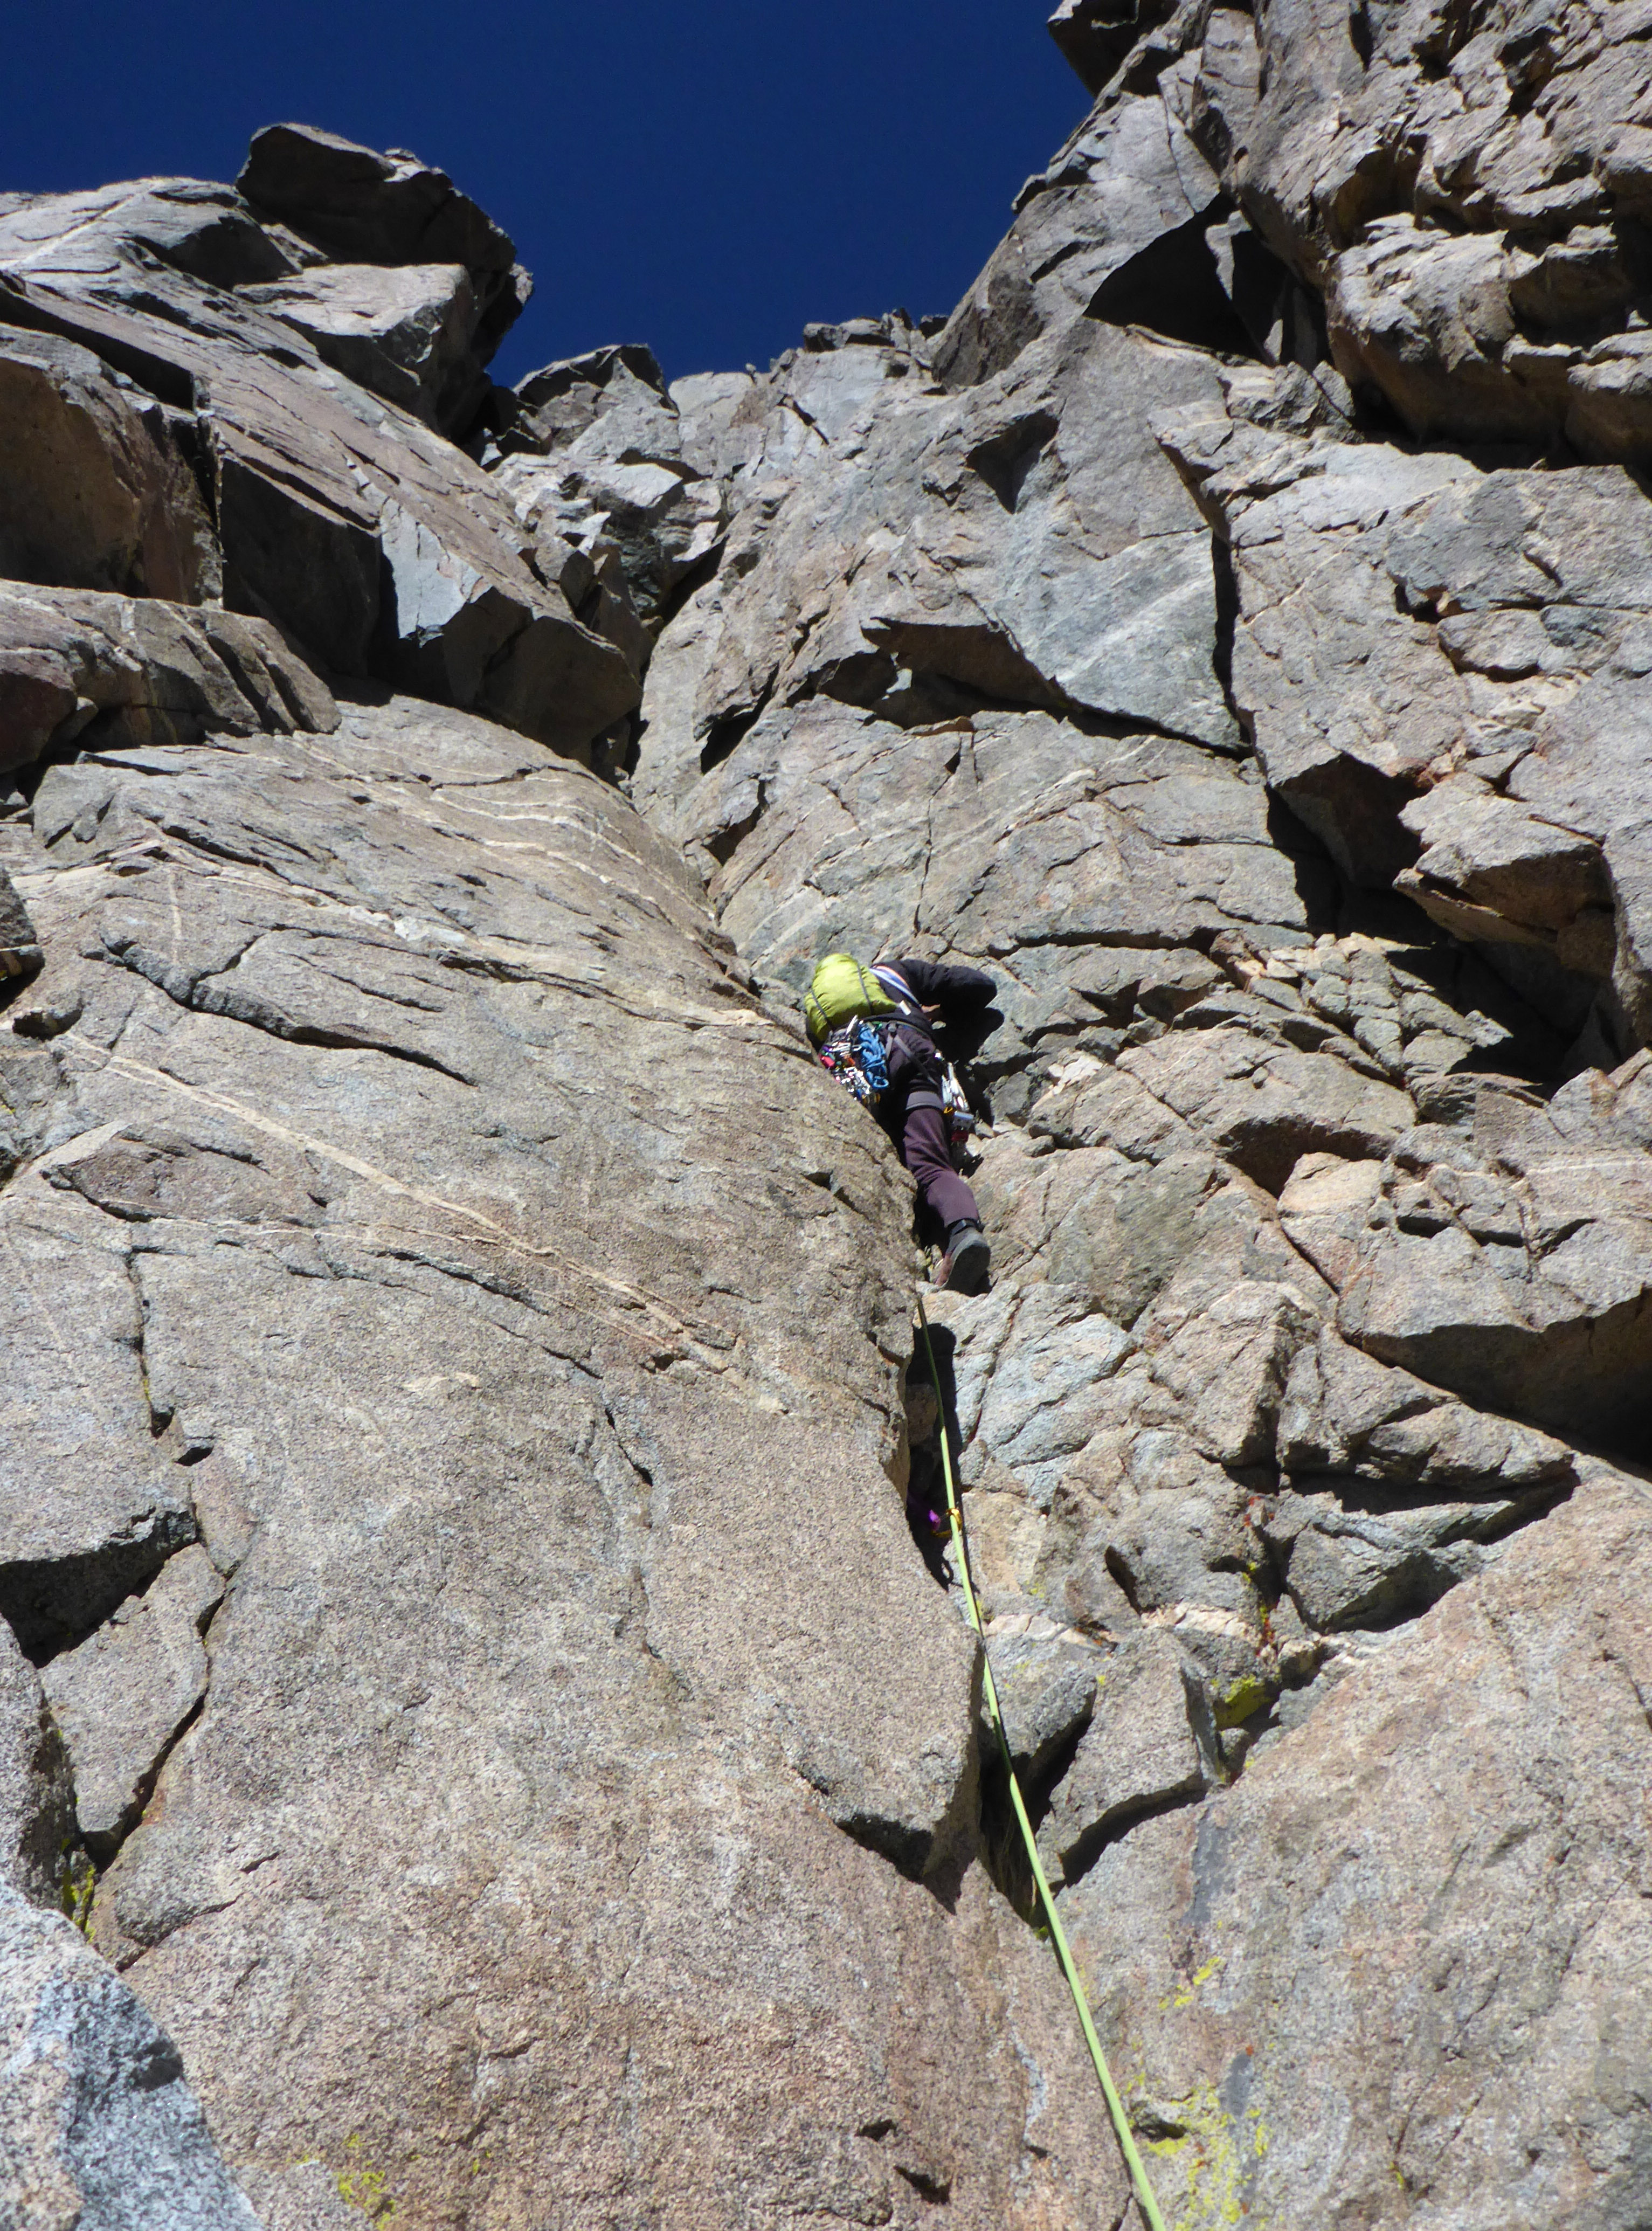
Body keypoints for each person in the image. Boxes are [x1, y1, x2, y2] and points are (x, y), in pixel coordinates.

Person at [870, 955, 996, 1294]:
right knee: (928, 1164)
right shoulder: (894, 971)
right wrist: (936, 1014)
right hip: (909, 1052)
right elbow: (980, 987)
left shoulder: (820, 1009)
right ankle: (962, 1233)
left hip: (857, 1067)